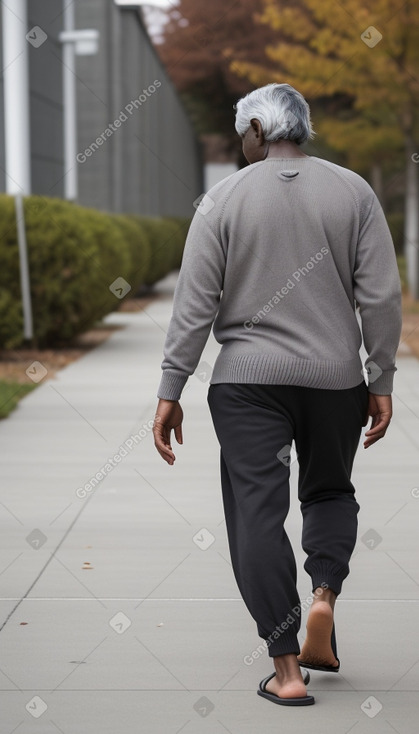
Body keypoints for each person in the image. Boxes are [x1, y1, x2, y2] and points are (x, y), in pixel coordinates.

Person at [153, 83, 402, 707]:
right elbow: (380, 297)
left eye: (244, 132)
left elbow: (194, 305)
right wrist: (382, 378)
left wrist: (171, 386)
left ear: (259, 131)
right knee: (328, 491)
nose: (242, 143)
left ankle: (287, 670)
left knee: (256, 516)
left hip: (246, 383)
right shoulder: (354, 192)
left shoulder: (222, 200)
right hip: (334, 379)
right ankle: (324, 594)